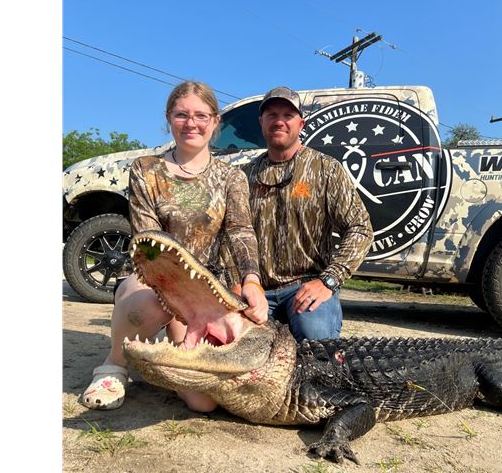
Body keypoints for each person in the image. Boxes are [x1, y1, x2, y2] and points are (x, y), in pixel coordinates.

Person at [81, 80, 268, 412]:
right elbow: (147, 241)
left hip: (207, 291)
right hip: (154, 281)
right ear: (169, 118)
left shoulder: (232, 177)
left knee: (203, 403)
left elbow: (241, 231)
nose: (191, 123)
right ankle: (114, 365)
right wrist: (175, 292)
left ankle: (160, 358)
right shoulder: (145, 170)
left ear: (215, 120)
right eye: (182, 114)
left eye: (201, 115)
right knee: (147, 306)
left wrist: (251, 281)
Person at [236, 86, 373, 341]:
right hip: (256, 289)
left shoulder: (326, 169)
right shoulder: (243, 176)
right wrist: (238, 283)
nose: (279, 121)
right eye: (272, 115)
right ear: (261, 122)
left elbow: (360, 228)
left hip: (306, 284)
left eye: (287, 115)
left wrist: (328, 281)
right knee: (226, 338)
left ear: (301, 124)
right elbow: (231, 234)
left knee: (316, 338)